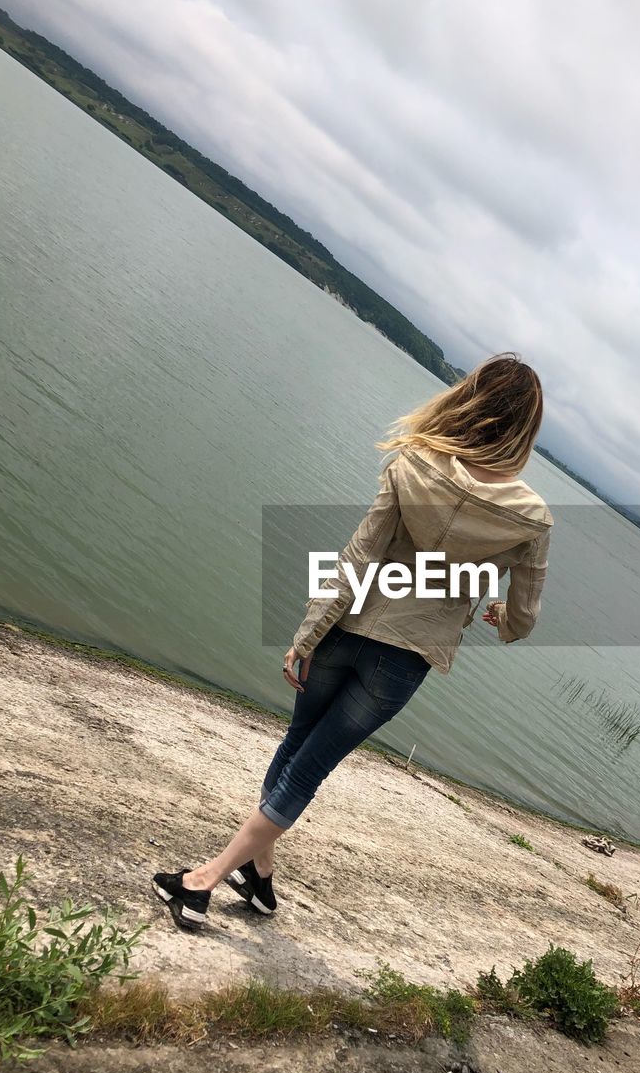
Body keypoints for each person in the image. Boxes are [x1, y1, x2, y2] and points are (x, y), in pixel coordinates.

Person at [153, 352, 553, 930]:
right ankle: (229, 879)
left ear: (469, 399)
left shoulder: (414, 464)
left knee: (298, 750)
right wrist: (501, 618)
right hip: (403, 660)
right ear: (525, 428)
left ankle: (215, 877)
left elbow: (358, 557)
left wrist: (308, 632)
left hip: (344, 631)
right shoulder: (532, 517)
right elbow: (525, 616)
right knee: (307, 762)